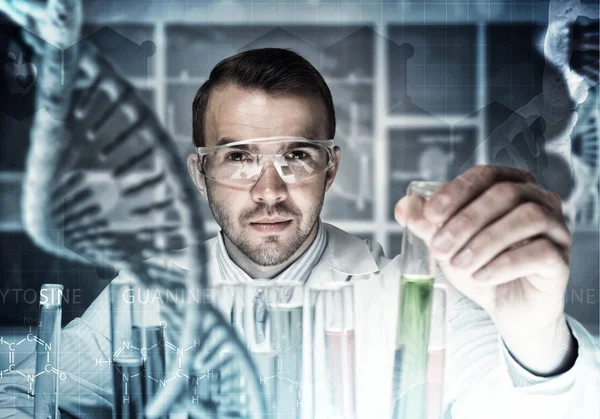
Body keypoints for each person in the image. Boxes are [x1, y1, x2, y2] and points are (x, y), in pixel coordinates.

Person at [0, 48, 598, 418]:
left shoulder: (406, 293)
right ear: (200, 169)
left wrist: (536, 338)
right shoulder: (148, 293)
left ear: (330, 167)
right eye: (238, 157)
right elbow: (27, 397)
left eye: (296, 156)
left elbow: (530, 405)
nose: (268, 191)